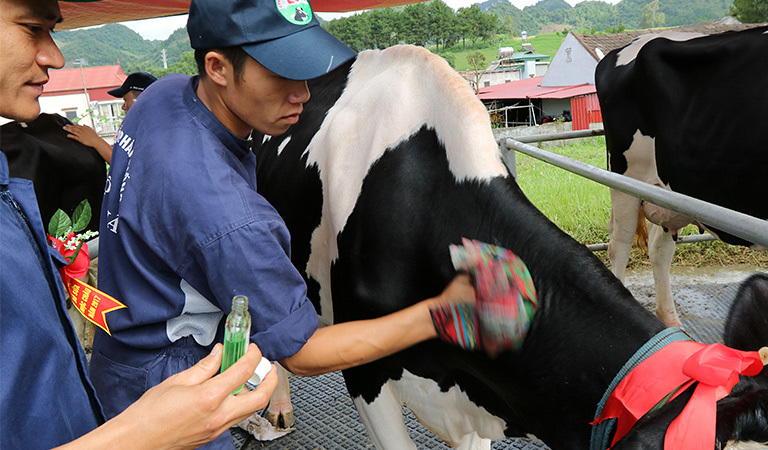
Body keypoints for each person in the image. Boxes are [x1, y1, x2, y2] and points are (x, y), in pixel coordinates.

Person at [92, 0, 477, 448]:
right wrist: (442, 313)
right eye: (281, 73)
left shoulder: (162, 96)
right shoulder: (231, 218)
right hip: (174, 385)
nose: (303, 94)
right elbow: (304, 352)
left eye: (306, 71)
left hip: (118, 348)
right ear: (217, 67)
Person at [0, 0, 278, 448]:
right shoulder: (204, 185)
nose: (56, 56)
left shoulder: (161, 125)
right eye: (32, 28)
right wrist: (138, 436)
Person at [63, 72, 157, 163]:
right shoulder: (139, 128)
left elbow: (131, 168)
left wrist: (96, 141)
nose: (123, 107)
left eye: (125, 100)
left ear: (141, 100)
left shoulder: (156, 131)